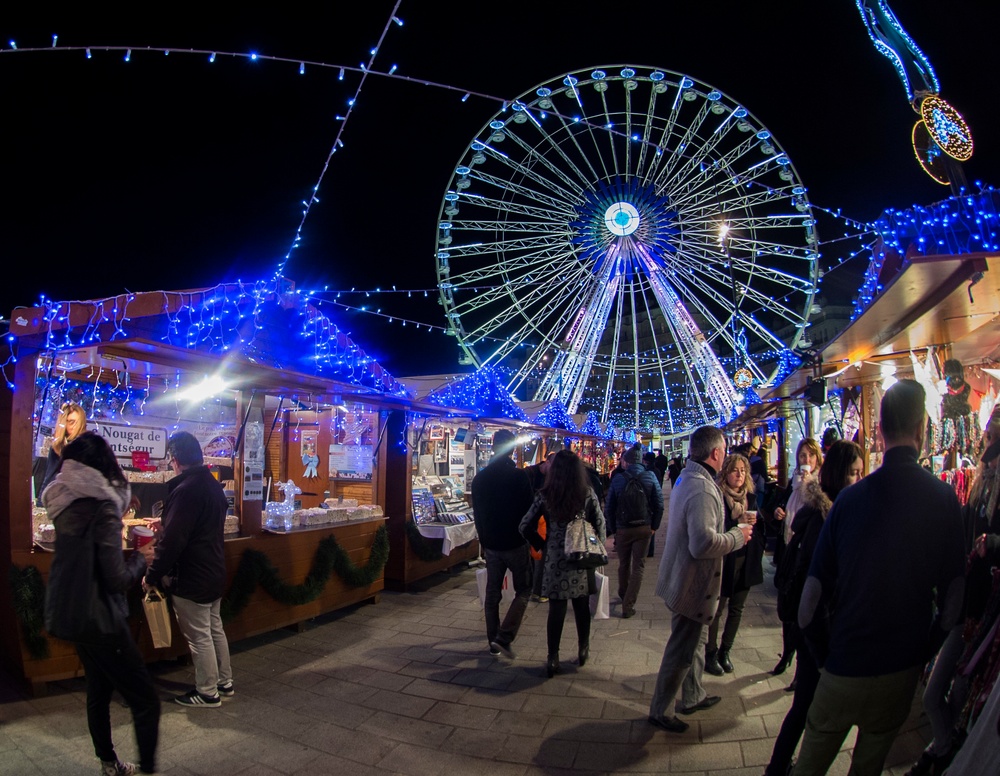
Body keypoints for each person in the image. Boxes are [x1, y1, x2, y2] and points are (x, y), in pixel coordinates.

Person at [792, 380, 966, 776]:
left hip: (843, 665)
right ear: (922, 429)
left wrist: (823, 657)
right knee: (869, 765)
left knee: (810, 764)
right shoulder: (943, 500)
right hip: (899, 669)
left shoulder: (848, 501)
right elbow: (955, 596)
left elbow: (810, 602)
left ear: (880, 430)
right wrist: (926, 648)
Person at [42, 432, 159, 776]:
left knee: (98, 691)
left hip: (71, 613)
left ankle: (109, 764)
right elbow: (116, 578)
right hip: (101, 619)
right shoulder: (104, 508)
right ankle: (148, 769)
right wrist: (141, 559)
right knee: (145, 700)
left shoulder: (64, 503)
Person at [902, 405, 1000, 775]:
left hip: (987, 614)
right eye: (986, 440)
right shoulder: (976, 492)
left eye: (993, 442)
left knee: (960, 693)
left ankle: (945, 751)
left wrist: (993, 543)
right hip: (967, 609)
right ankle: (945, 746)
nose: (986, 451)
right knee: (935, 693)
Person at [764, 440, 863, 776]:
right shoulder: (826, 518)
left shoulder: (828, 509)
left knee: (804, 704)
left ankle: (779, 767)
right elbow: (815, 586)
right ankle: (784, 768)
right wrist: (822, 651)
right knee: (808, 705)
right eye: (853, 473)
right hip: (819, 630)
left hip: (816, 628)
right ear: (836, 472)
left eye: (861, 473)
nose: (857, 479)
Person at [647, 426, 752, 734]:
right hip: (691, 584)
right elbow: (702, 543)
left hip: (683, 578)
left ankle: (692, 695)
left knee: (695, 644)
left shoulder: (688, 478)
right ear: (716, 453)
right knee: (681, 649)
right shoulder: (703, 488)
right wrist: (737, 536)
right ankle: (660, 710)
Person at [144, 431, 233, 708]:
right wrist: (168, 524)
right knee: (214, 628)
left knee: (199, 637)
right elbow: (198, 527)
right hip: (213, 569)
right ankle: (224, 683)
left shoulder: (185, 490)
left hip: (192, 575)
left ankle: (207, 692)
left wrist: (152, 575)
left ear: (174, 459)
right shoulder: (210, 484)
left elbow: (174, 543)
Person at [520, 449, 606, 677]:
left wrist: (542, 544)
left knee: (556, 610)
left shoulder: (544, 495)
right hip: (579, 558)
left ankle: (553, 657)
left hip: (554, 561)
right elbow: (600, 524)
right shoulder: (586, 494)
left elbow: (524, 525)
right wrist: (594, 547)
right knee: (581, 607)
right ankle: (583, 648)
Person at [471, 428, 535, 658]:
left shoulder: (480, 478)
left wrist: (485, 538)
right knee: (525, 589)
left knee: (492, 594)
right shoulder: (518, 477)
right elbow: (529, 512)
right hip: (515, 542)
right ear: (511, 448)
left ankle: (492, 641)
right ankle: (504, 636)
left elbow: (477, 513)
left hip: (492, 545)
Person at [704, 452, 764, 676]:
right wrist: (736, 523)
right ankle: (711, 653)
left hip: (745, 560)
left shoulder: (751, 498)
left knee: (737, 609)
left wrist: (759, 523)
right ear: (726, 473)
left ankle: (725, 652)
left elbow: (761, 529)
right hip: (726, 560)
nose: (739, 475)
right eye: (734, 470)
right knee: (717, 609)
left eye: (743, 471)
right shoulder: (719, 498)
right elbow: (715, 529)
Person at [769, 437, 823, 677]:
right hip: (789, 549)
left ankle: (801, 665)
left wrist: (808, 483)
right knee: (786, 607)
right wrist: (778, 511)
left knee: (802, 610)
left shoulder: (819, 483)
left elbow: (818, 509)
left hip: (807, 555)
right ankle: (786, 653)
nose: (806, 460)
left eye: (811, 456)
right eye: (803, 456)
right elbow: (783, 506)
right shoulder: (793, 480)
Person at [605, 445, 663, 618]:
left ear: (626, 462)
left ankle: (623, 594)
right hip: (643, 527)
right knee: (638, 566)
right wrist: (654, 526)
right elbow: (659, 504)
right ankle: (628, 605)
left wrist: (615, 529)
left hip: (623, 528)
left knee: (624, 564)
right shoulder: (650, 476)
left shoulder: (618, 479)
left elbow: (609, 507)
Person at [39, 401, 88, 498]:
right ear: (64, 424)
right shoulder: (58, 447)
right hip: (63, 499)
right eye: (71, 422)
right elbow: (50, 478)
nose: (75, 426)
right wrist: (42, 501)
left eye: (78, 422)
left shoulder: (91, 446)